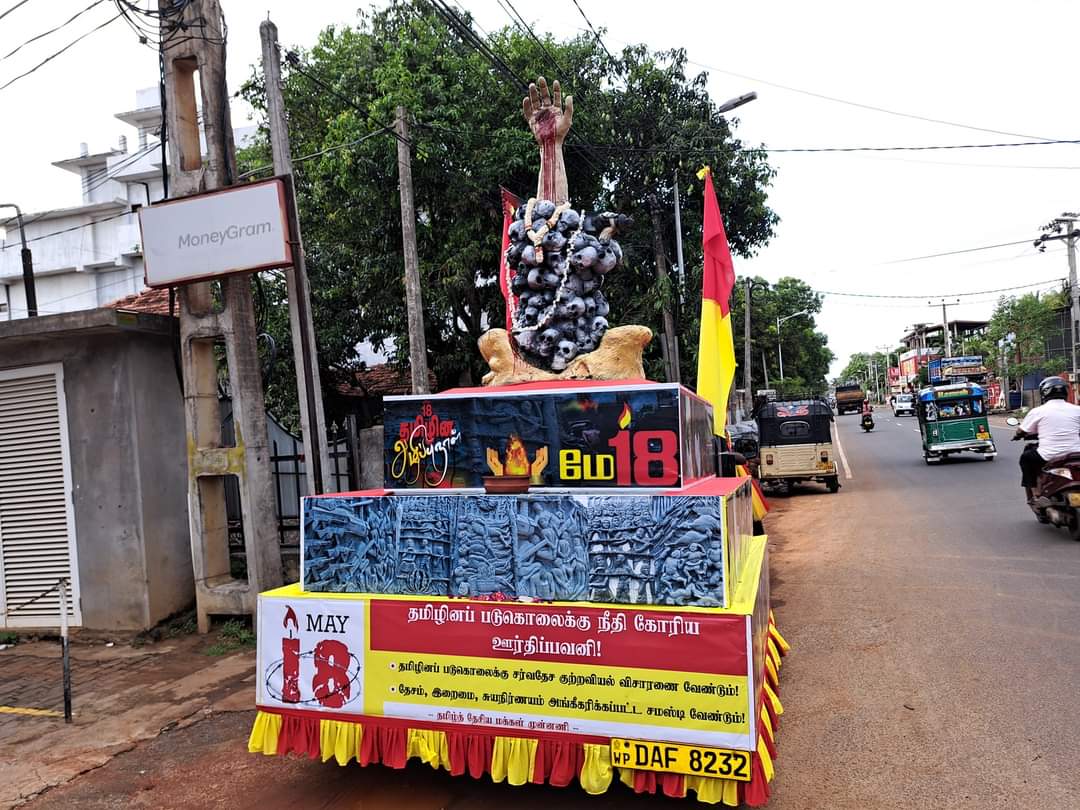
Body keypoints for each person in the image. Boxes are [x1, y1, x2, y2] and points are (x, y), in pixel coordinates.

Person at [1014, 376, 1080, 503]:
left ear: (1044, 393)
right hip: (1076, 454)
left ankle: (1036, 494)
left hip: (1049, 455)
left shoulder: (1038, 411)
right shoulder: (1077, 409)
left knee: (1026, 458)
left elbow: (1021, 431)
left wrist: (1018, 435)